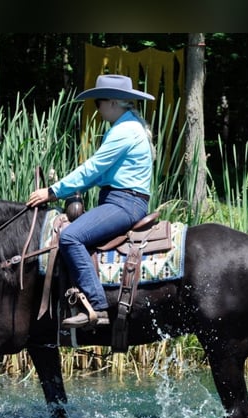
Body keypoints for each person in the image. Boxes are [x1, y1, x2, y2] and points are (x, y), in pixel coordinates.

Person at [26, 74, 155, 328]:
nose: (97, 107)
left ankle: (97, 306)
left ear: (114, 103)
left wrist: (52, 191)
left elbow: (92, 169)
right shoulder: (127, 126)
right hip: (121, 200)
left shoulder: (125, 130)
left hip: (123, 203)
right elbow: (98, 174)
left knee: (70, 237)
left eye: (99, 102)